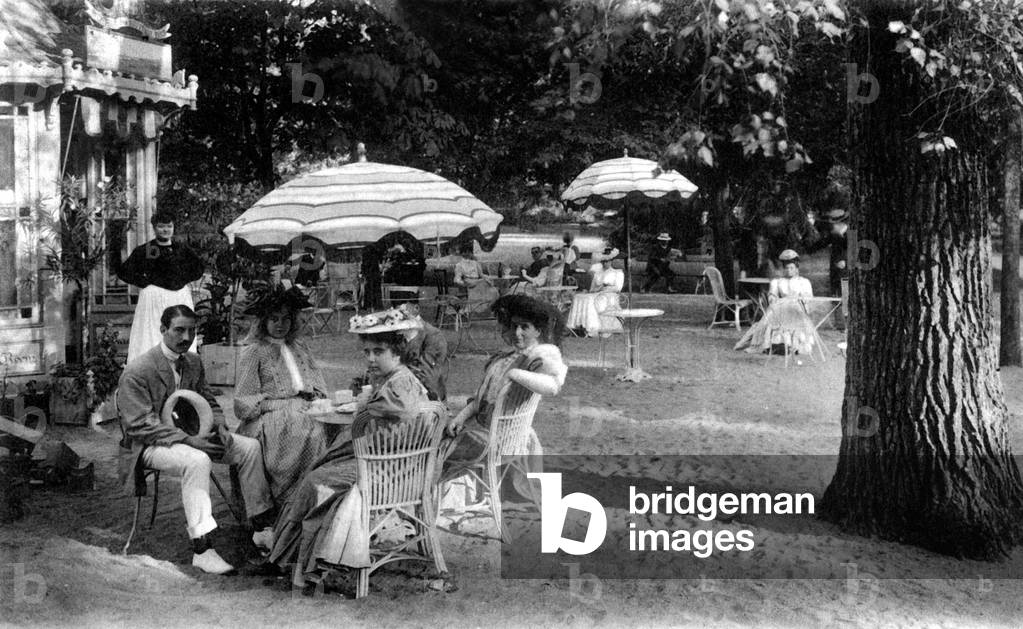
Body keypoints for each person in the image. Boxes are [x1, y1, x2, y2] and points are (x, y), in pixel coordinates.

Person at [267, 307, 428, 588]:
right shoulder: (395, 380)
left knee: (315, 480)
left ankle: (302, 560)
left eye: (378, 352)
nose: (371, 358)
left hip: (386, 471)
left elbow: (403, 409)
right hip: (391, 464)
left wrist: (367, 407)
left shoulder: (401, 384)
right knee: (319, 467)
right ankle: (294, 553)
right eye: (367, 352)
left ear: (397, 352)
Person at [116, 305, 276, 574]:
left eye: (192, 330)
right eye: (179, 330)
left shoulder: (192, 362)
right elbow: (139, 425)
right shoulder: (138, 370)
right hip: (148, 445)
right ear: (163, 330)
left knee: (249, 447)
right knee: (198, 460)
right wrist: (189, 441)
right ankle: (202, 548)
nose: (186, 337)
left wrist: (221, 426)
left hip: (193, 436)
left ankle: (260, 527)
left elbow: (209, 400)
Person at [440, 295, 567, 475]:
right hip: (485, 430)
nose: (517, 333)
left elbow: (553, 385)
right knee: (441, 436)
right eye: (514, 326)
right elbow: (481, 400)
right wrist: (460, 417)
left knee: (436, 451)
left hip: (499, 440)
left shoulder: (540, 354)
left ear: (538, 331)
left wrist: (515, 374)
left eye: (525, 327)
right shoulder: (507, 357)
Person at [233, 284, 329, 506]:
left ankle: (315, 496)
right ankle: (287, 500)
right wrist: (275, 406)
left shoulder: (299, 346)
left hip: (304, 407)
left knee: (328, 427)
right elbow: (243, 403)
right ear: (264, 321)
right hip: (269, 414)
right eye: (274, 319)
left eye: (286, 319)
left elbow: (317, 382)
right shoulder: (254, 351)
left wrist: (315, 397)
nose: (280, 325)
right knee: (303, 429)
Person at [115, 211, 204, 365]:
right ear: (154, 228)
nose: (165, 230)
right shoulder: (146, 250)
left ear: (173, 227)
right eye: (161, 226)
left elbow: (198, 268)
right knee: (153, 332)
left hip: (179, 297)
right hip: (153, 298)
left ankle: (180, 372)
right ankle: (148, 372)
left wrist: (182, 279)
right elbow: (124, 271)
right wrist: (146, 282)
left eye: (169, 226)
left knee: (180, 330)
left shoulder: (182, 249)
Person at [734, 250, 816, 356]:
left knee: (794, 318)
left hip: (796, 309)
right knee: (771, 319)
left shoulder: (803, 282)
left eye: (791, 268)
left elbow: (808, 296)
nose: (789, 270)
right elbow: (772, 294)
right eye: (786, 268)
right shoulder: (778, 282)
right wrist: (773, 299)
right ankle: (775, 345)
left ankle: (793, 345)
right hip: (781, 308)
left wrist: (804, 300)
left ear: (796, 268)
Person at [805, 206, 849, 330]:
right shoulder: (834, 234)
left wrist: (846, 262)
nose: (833, 226)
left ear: (842, 223)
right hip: (835, 271)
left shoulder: (852, 233)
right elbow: (817, 245)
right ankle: (840, 325)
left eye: (835, 223)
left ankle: (847, 325)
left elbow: (856, 253)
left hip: (848, 272)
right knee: (835, 296)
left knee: (846, 296)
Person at [395, 302, 448, 401]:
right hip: (398, 392)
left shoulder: (434, 336)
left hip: (427, 396)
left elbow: (426, 373)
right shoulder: (399, 336)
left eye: (402, 313)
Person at [567, 247, 625, 337]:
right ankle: (580, 325)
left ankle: (592, 328)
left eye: (607, 261)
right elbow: (593, 287)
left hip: (610, 295)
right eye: (603, 261)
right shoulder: (598, 273)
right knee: (579, 297)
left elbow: (618, 288)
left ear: (611, 261)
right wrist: (590, 291)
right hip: (597, 293)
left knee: (592, 301)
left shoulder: (617, 273)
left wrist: (605, 289)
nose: (605, 263)